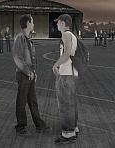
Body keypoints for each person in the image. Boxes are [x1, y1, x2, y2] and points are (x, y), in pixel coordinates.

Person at [13, 14, 51, 137]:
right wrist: (28, 72)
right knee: (22, 101)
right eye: (33, 22)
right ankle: (21, 127)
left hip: (30, 75)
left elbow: (32, 58)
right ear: (28, 23)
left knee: (33, 101)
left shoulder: (28, 39)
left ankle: (39, 125)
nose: (34, 24)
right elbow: (17, 57)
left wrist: (34, 72)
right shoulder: (20, 38)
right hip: (24, 75)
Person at [52, 14, 79, 144]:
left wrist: (55, 65)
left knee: (64, 104)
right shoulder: (73, 36)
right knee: (71, 103)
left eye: (58, 23)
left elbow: (67, 53)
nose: (57, 25)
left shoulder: (66, 35)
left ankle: (68, 134)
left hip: (66, 74)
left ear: (63, 23)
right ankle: (73, 128)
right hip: (73, 74)